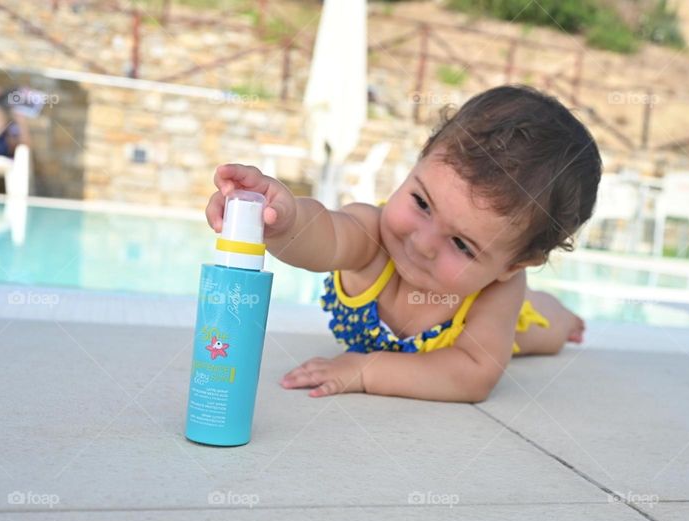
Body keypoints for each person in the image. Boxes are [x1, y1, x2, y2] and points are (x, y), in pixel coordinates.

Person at [205, 85, 601, 402]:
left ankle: (563, 316)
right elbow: (321, 234)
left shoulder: (499, 288)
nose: (423, 243)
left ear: (512, 265)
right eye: (421, 202)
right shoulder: (371, 234)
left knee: (541, 331)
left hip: (510, 322)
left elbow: (473, 375)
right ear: (419, 160)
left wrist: (365, 370)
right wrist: (283, 220)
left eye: (462, 245)